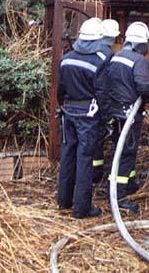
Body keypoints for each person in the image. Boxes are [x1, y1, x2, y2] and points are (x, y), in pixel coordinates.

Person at [57, 17, 107, 219]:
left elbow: (60, 90)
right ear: (97, 40)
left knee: (67, 155)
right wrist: (105, 118)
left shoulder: (66, 59)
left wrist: (64, 107)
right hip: (88, 115)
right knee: (85, 159)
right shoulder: (99, 61)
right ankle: (82, 208)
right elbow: (102, 93)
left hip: (68, 112)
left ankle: (63, 201)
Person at [104, 21, 149, 214]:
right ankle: (119, 197)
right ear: (142, 43)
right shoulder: (139, 60)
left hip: (114, 113)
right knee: (126, 154)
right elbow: (144, 87)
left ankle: (129, 183)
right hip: (129, 116)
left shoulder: (116, 57)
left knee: (120, 149)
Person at [92, 19, 120, 183]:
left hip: (87, 102)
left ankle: (92, 173)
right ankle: (96, 174)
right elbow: (105, 86)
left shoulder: (93, 50)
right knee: (97, 139)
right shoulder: (108, 55)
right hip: (99, 104)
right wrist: (108, 113)